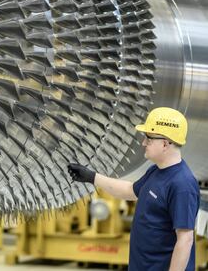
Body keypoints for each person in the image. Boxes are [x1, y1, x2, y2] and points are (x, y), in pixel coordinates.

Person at [67, 107, 200, 271]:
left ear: (165, 144)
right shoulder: (156, 171)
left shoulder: (182, 185)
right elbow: (130, 190)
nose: (143, 143)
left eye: (149, 138)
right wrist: (91, 177)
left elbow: (185, 240)